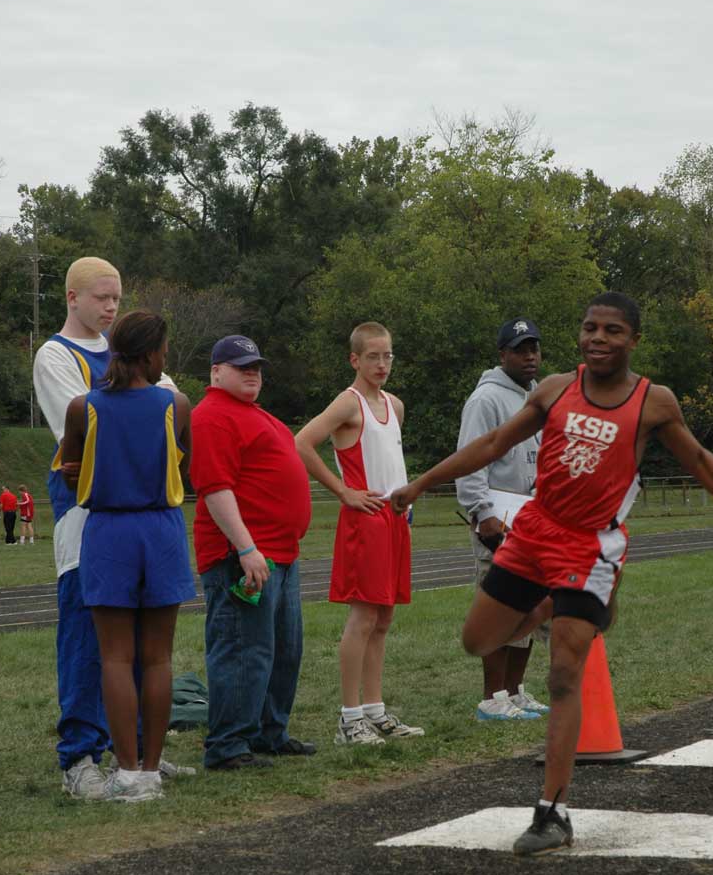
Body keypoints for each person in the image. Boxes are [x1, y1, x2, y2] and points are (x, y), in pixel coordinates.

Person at [391, 291, 713, 856]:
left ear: (633, 340)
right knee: (477, 641)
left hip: (591, 547)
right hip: (535, 531)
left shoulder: (654, 402)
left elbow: (701, 463)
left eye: (612, 331)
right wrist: (421, 483)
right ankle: (561, 605)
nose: (598, 339)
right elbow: (493, 443)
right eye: (590, 328)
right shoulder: (553, 390)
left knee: (564, 674)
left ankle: (552, 812)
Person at [33, 255, 192, 799]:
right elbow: (83, 433)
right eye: (100, 298)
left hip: (131, 519)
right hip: (86, 522)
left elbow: (151, 410)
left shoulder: (128, 354)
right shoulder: (56, 355)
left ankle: (142, 750)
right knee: (87, 642)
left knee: (144, 644)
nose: (108, 307)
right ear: (72, 298)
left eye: (116, 300)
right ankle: (80, 755)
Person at [190, 335, 316, 771]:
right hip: (242, 556)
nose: (251, 373)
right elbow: (214, 487)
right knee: (244, 650)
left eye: (256, 367)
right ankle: (227, 745)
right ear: (216, 372)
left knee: (283, 649)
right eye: (241, 366)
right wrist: (245, 547)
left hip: (280, 553)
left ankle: (268, 732)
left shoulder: (254, 415)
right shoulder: (212, 415)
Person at [295, 322, 424, 746]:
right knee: (364, 615)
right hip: (365, 518)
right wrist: (343, 492)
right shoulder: (348, 404)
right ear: (355, 359)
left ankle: (375, 710)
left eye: (387, 355)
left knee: (384, 618)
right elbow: (302, 443)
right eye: (373, 356)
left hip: (394, 518)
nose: (382, 364)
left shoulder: (395, 405)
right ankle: (349, 719)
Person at [456, 318, 547, 723]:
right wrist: (482, 513)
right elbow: (472, 458)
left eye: (534, 349)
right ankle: (492, 698)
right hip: (498, 517)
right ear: (503, 355)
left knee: (527, 605)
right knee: (499, 607)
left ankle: (514, 691)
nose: (530, 357)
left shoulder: (534, 397)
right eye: (520, 349)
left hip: (529, 518)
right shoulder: (486, 399)